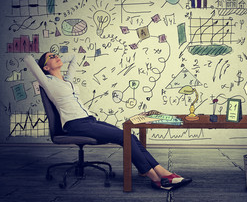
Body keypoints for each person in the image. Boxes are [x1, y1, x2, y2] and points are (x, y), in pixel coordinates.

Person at [24, 52, 192, 190]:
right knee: (123, 137)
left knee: (130, 135)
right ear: (45, 67)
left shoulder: (68, 81)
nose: (57, 57)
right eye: (51, 57)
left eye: (57, 55)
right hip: (75, 125)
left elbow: (75, 56)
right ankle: (156, 178)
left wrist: (58, 58)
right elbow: (27, 59)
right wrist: (52, 62)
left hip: (89, 120)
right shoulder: (46, 82)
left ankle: (160, 172)